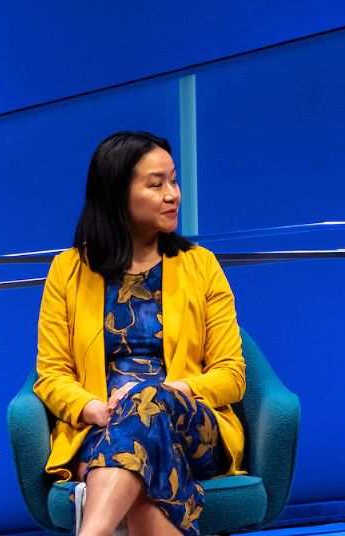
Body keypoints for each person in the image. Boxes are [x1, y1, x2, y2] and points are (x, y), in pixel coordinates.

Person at [34, 131, 247, 536]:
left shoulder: (201, 266)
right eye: (156, 184)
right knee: (140, 454)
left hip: (192, 424)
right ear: (116, 194)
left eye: (174, 180)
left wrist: (165, 391)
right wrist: (95, 409)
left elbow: (232, 375)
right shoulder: (68, 270)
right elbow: (52, 374)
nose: (173, 195)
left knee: (146, 405)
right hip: (105, 425)